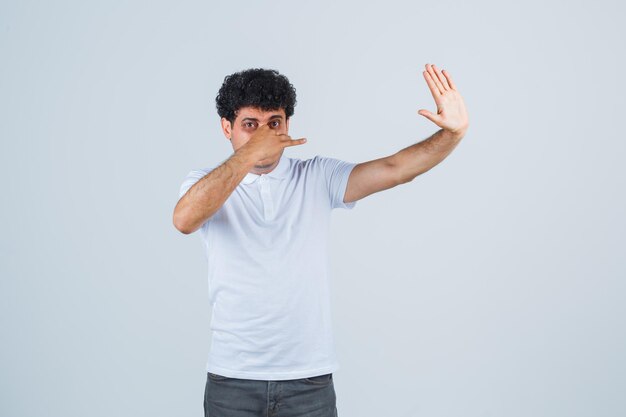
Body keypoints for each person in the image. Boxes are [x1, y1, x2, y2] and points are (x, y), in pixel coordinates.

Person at [173, 64, 469, 417]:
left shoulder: (316, 176)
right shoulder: (206, 182)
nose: (265, 136)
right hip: (232, 380)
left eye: (274, 124)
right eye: (250, 125)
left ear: (287, 126)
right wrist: (249, 154)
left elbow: (395, 169)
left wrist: (452, 135)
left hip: (308, 382)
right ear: (227, 127)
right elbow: (184, 219)